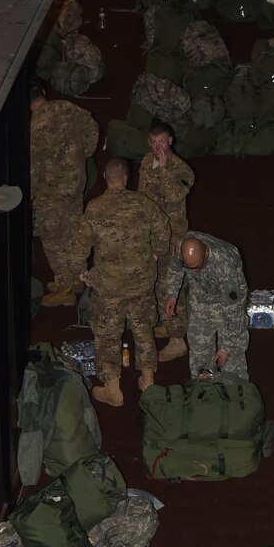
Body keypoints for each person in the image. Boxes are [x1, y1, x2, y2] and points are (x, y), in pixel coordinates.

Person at [80, 159, 170, 407]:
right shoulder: (143, 203)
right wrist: (155, 253)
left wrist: (80, 271)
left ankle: (113, 389)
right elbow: (164, 230)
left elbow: (80, 245)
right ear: (126, 178)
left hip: (110, 286)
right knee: (143, 328)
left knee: (108, 333)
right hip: (142, 280)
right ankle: (148, 380)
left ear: (106, 178)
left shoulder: (96, 208)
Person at [29, 83, 99, 308]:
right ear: (44, 92)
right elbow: (92, 127)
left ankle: (65, 286)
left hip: (52, 193)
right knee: (75, 228)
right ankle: (78, 277)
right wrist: (84, 153)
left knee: (55, 239)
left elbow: (33, 169)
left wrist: (28, 197)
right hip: (76, 183)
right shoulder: (67, 107)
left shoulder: (35, 127)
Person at [137, 121, 195, 366]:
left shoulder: (182, 170)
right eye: (153, 142)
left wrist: (162, 169)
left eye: (161, 142)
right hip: (151, 233)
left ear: (171, 141)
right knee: (155, 283)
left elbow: (174, 195)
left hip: (172, 236)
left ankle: (178, 340)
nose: (157, 147)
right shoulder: (145, 162)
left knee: (170, 287)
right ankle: (166, 322)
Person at [162, 232, 249, 380]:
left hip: (227, 303)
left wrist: (225, 348)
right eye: (191, 268)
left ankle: (236, 393)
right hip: (201, 300)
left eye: (198, 267)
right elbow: (175, 269)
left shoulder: (225, 265)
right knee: (200, 353)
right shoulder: (181, 247)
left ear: (206, 253)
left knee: (231, 358)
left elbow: (234, 312)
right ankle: (205, 389)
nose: (195, 271)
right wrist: (172, 295)